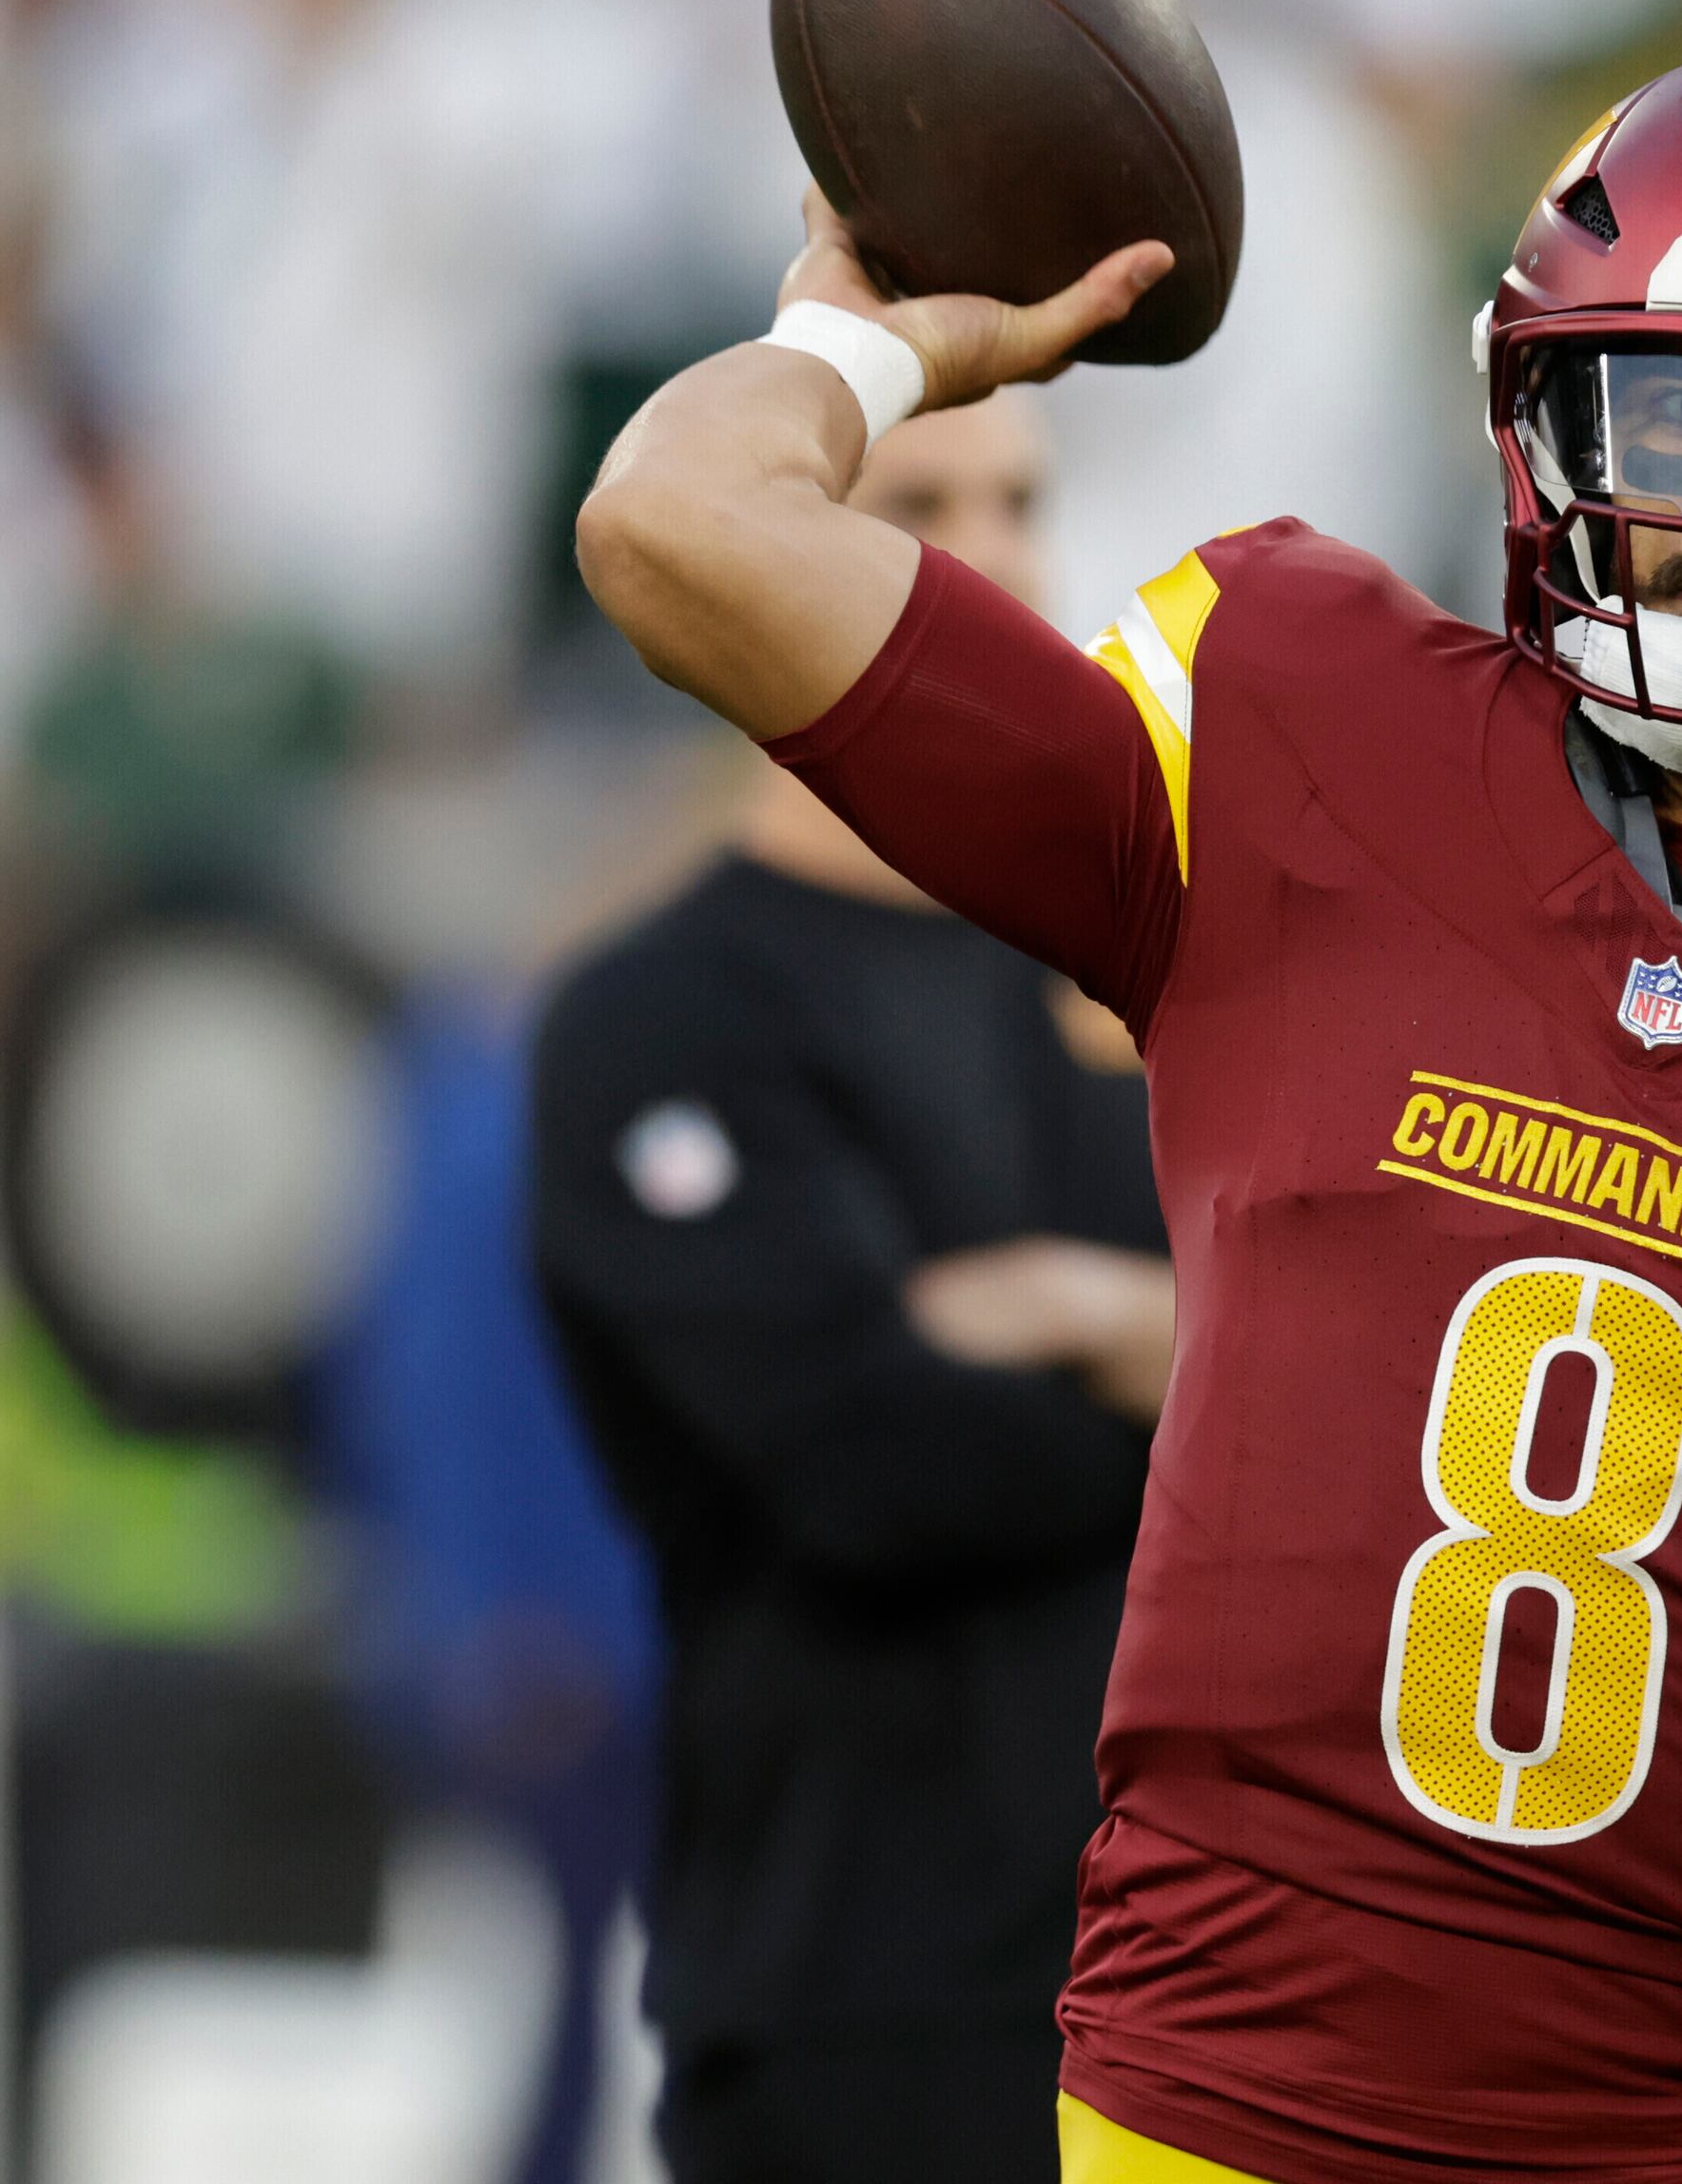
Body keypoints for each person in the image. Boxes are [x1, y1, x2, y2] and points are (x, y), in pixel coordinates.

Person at [576, 29, 1682, 2184]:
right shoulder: (1289, 728)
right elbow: (674, 522)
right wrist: (858, 350)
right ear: (1544, 415)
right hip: (1215, 2132)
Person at [533, 393, 1176, 2184]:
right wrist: (1214, 1369)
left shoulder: (1147, 963)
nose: (996, 553)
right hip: (851, 2015)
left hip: (1198, 2012)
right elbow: (878, 1459)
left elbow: (1375, 1387)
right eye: (918, 500)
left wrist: (1106, 1323)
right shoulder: (659, 1016)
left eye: (1023, 497)